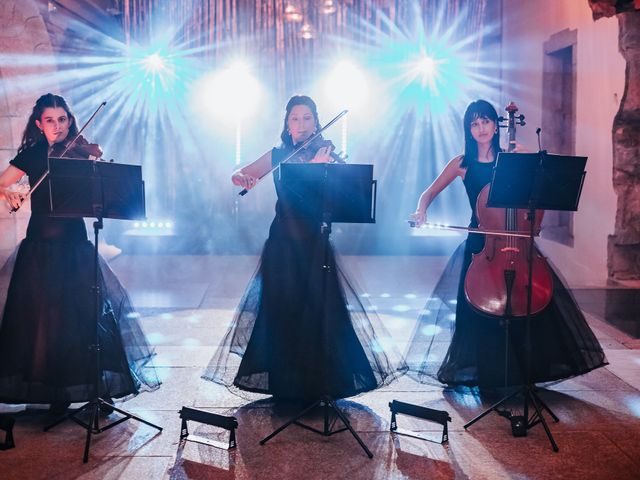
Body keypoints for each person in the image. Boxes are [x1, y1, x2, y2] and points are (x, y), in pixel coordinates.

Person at [202, 95, 405, 402]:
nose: (301, 125)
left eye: (307, 118)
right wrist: (243, 177)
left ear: (316, 122)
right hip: (282, 243)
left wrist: (324, 167)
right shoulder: (278, 154)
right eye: (294, 119)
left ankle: (318, 383)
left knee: (319, 313)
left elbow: (348, 191)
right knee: (283, 312)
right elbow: (239, 174)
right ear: (287, 124)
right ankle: (287, 385)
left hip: (315, 242)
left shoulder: (326, 152)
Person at [405, 99, 607, 389]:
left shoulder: (512, 157)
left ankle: (523, 371)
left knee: (527, 305)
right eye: (474, 123)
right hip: (481, 245)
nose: (481, 128)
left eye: (485, 121)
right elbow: (428, 193)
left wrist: (530, 164)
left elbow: (537, 196)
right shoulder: (461, 163)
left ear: (495, 124)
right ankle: (489, 372)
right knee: (480, 310)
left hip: (515, 238)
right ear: (468, 129)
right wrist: (421, 210)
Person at [0, 93, 160, 413]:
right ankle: (52, 391)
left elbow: (103, 182)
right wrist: (11, 195)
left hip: (75, 244)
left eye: (63, 119)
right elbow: (4, 183)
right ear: (39, 124)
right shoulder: (32, 155)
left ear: (70, 121)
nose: (58, 126)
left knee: (84, 314)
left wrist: (92, 155)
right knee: (45, 319)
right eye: (50, 120)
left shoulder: (80, 151)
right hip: (40, 247)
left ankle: (94, 388)